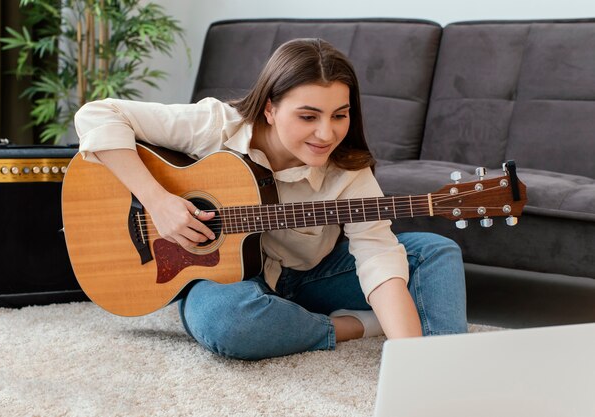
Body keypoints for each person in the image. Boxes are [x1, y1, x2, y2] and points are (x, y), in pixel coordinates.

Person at [74, 38, 468, 360]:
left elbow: (377, 256)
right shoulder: (216, 126)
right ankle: (351, 326)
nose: (327, 134)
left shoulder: (349, 170)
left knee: (434, 251)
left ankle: (446, 361)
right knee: (226, 321)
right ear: (270, 109)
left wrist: (414, 363)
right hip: (230, 281)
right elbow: (96, 115)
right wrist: (158, 200)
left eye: (340, 115)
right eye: (308, 116)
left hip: (314, 276)